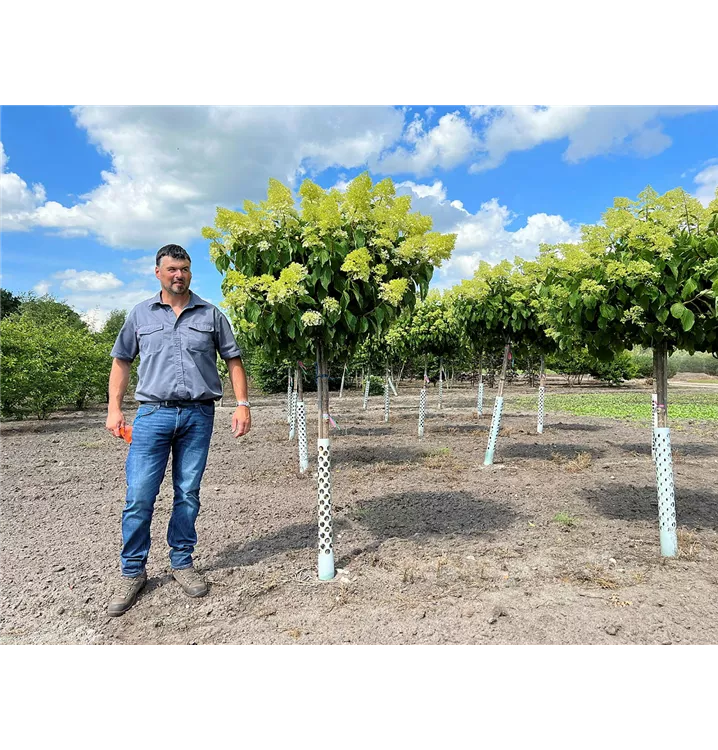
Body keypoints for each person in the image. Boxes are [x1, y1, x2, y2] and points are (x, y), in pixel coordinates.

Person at [105, 244, 251, 617]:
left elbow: (233, 360)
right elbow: (121, 361)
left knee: (187, 493)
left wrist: (242, 404)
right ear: (158, 272)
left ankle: (182, 562)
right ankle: (132, 572)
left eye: (184, 269)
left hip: (198, 415)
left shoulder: (211, 314)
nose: (178, 275)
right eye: (171, 269)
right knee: (139, 496)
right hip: (152, 415)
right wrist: (114, 408)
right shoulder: (139, 314)